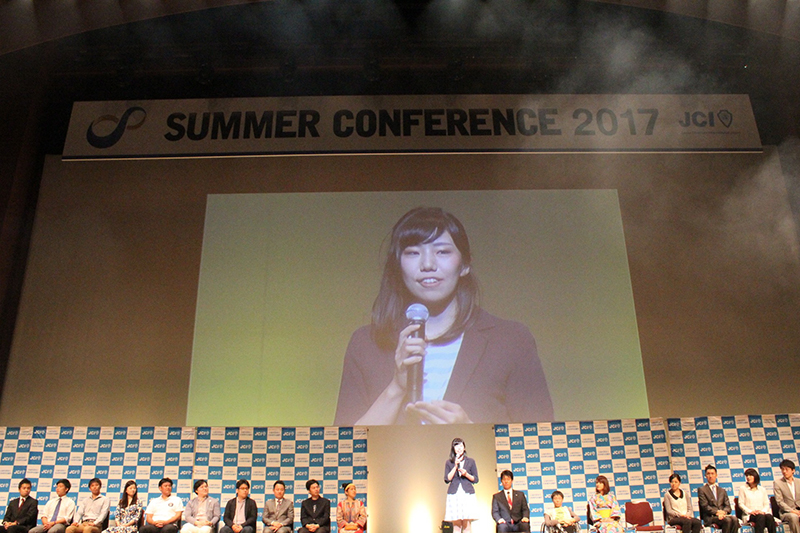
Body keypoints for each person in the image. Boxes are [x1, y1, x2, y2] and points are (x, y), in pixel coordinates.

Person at [333, 206, 553, 425]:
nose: (428, 264)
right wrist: (396, 388)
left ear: (465, 264)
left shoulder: (511, 341)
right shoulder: (366, 344)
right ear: (397, 265)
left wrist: (470, 433)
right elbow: (343, 445)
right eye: (413, 253)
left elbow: (541, 441)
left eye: (442, 252)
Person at [444, 437, 478, 533]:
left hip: (467, 494)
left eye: (461, 446)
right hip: (454, 494)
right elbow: (447, 479)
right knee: (457, 526)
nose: (459, 448)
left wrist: (466, 474)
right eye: (456, 446)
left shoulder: (471, 461)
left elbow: (476, 479)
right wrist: (455, 466)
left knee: (467, 524)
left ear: (464, 448)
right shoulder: (449, 462)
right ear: (453, 449)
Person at [697, 465, 739, 533]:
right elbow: (704, 506)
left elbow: (728, 507)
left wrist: (724, 512)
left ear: (716, 475)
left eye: (712, 473)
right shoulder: (702, 490)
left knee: (735, 519)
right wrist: (717, 512)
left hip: (723, 515)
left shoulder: (722, 490)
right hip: (710, 517)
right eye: (708, 474)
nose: (710, 476)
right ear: (705, 476)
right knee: (727, 520)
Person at [737, 468, 775, 533]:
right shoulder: (743, 488)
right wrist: (751, 511)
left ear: (755, 476)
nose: (748, 477)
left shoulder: (762, 489)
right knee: (760, 517)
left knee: (769, 517)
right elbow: (741, 504)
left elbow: (766, 503)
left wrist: (762, 511)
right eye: (747, 476)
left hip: (762, 513)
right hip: (749, 515)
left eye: (750, 475)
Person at [773, 459, 800, 533]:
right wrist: (793, 511)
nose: (784, 471)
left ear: (793, 470)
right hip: (787, 512)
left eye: (787, 469)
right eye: (782, 469)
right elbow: (780, 502)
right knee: (794, 517)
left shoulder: (799, 482)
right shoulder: (778, 483)